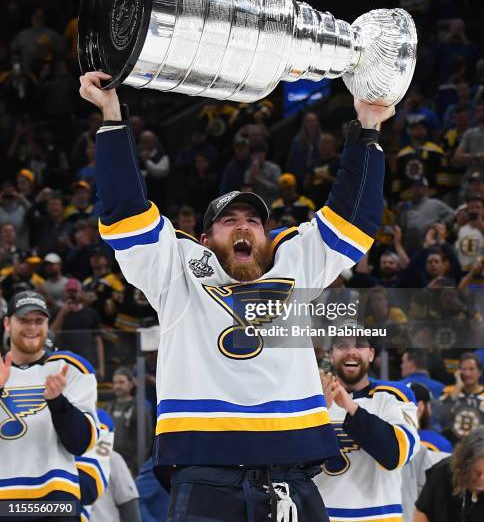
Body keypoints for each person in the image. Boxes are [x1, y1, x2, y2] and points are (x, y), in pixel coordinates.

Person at [80, 69, 393, 522]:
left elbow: (355, 217)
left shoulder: (297, 262)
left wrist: (367, 127)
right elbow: (125, 211)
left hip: (294, 472)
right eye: (230, 221)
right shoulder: (178, 271)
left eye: (253, 221)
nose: (244, 225)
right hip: (204, 472)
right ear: (206, 239)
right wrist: (111, 118)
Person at [0, 291, 98, 521]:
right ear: (7, 323)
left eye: (39, 320)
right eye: (24, 320)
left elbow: (80, 443)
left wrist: (58, 402)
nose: (32, 327)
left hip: (54, 500)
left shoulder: (70, 367)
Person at [316, 334, 420, 522]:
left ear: (371, 354)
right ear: (331, 354)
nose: (351, 352)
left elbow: (395, 455)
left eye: (359, 345)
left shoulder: (393, 396)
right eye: (342, 346)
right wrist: (313, 415)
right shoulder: (312, 399)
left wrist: (351, 408)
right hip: (320, 514)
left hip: (377, 516)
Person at [414, 426, 484, 522]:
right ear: (464, 466)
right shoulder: (443, 472)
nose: (482, 478)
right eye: (477, 473)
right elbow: (422, 512)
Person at [50, 278, 105, 379]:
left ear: (81, 293)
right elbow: (51, 335)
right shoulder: (56, 312)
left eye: (74, 292)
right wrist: (62, 314)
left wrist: (101, 367)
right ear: (64, 293)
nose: (72, 295)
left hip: (85, 360)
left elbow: (98, 341)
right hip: (63, 361)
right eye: (69, 292)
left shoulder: (91, 313)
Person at [106, 367, 153, 476]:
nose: (117, 386)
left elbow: (146, 441)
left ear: (131, 384)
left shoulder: (140, 408)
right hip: (110, 464)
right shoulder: (109, 407)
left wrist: (135, 467)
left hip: (131, 467)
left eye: (121, 382)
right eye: (115, 383)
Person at [440, 352, 484, 444]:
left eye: (471, 369)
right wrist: (458, 387)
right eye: (464, 369)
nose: (467, 373)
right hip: (451, 445)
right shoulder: (449, 391)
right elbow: (441, 415)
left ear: (479, 372)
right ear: (458, 372)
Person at [407, 382, 453, 459]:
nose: (431, 410)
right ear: (421, 407)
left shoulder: (389, 439)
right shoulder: (441, 443)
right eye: (429, 405)